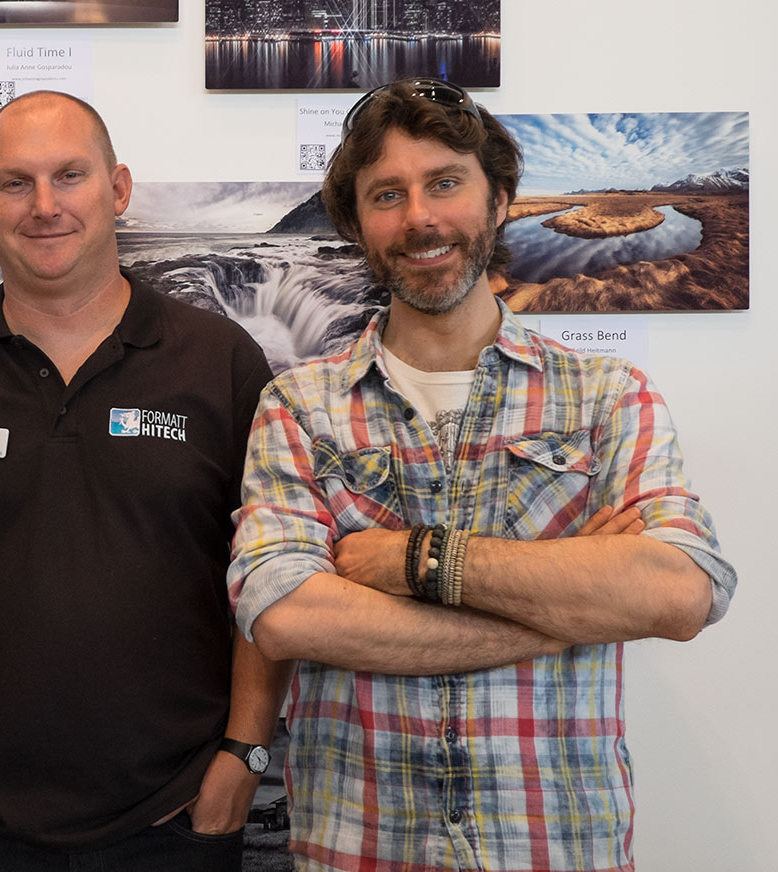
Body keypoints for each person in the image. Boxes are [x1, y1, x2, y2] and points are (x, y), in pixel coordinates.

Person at [228, 78, 737, 871]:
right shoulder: (298, 405)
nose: (420, 217)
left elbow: (679, 592)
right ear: (358, 224)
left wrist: (414, 561)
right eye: (387, 194)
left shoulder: (604, 395)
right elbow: (286, 615)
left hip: (556, 845)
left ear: (499, 199)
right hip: (359, 844)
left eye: (444, 183)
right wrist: (568, 610)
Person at [0, 90, 291, 870]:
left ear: (118, 189)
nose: (44, 205)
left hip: (177, 811)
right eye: (15, 183)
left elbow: (270, 567)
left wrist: (246, 750)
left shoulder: (218, 362)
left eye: (69, 175)